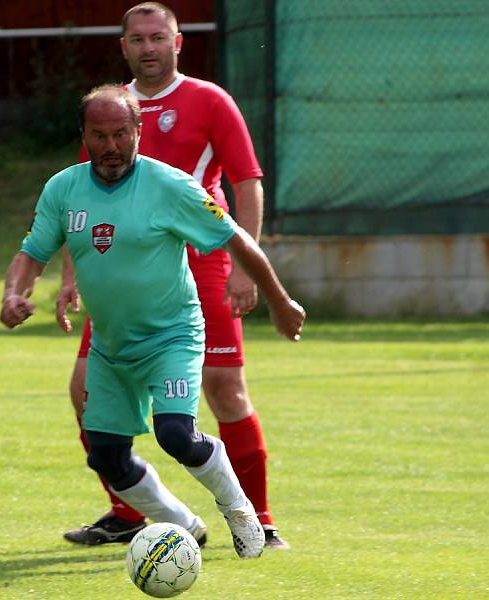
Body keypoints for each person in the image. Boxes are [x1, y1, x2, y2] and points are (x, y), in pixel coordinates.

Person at [0, 85, 305, 559]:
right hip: (110, 344)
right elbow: (32, 252)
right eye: (99, 136)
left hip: (172, 336)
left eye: (121, 134)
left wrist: (280, 301)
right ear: (84, 135)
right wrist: (13, 293)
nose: (111, 147)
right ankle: (183, 525)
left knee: (176, 434)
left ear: (138, 131)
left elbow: (236, 238)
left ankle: (240, 510)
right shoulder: (63, 188)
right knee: (105, 456)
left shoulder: (171, 186)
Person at [59, 2, 291, 550]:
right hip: (119, 272)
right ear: (124, 46)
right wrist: (71, 274)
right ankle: (132, 511)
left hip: (201, 264)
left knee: (224, 389)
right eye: (137, 39)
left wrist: (242, 266)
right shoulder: (111, 108)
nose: (148, 48)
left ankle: (258, 517)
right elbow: (82, 198)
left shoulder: (210, 100)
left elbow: (247, 182)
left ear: (178, 42)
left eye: (157, 37)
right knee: (84, 393)